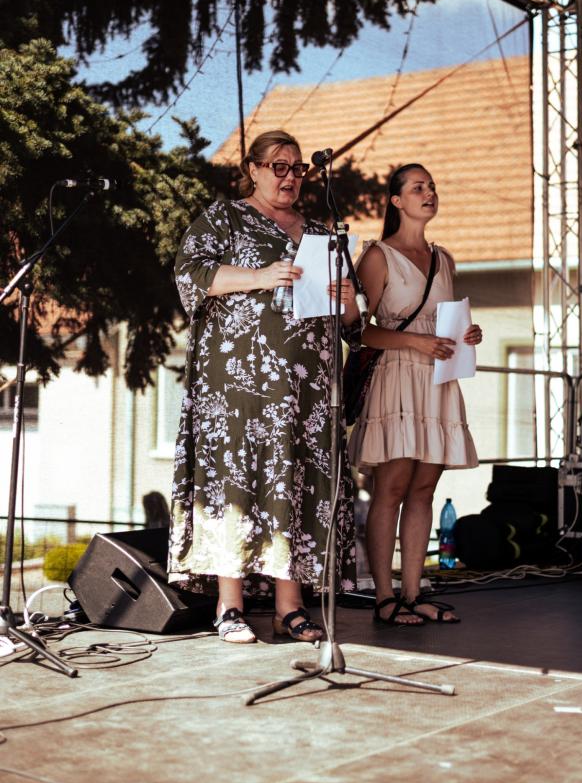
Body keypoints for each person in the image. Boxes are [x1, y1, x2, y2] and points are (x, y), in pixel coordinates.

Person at [168, 129, 359, 644]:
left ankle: (289, 608)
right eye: (279, 165)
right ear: (252, 170)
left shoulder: (320, 233)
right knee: (236, 482)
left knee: (294, 483)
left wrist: (347, 300)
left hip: (306, 394)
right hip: (238, 385)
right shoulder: (224, 218)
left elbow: (353, 324)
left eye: (297, 168)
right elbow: (192, 275)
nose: (290, 176)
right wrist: (261, 275)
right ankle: (229, 607)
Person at [348, 163, 482, 626]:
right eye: (418, 187)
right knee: (391, 487)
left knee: (425, 488)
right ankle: (384, 597)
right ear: (397, 201)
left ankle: (413, 591)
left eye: (432, 187)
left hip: (438, 378)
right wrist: (415, 342)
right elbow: (359, 331)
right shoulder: (377, 256)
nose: (429, 193)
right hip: (397, 374)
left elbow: (443, 321)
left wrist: (468, 334)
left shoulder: (444, 259)